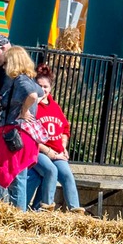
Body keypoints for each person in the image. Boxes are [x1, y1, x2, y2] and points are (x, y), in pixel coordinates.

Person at [0, 46, 45, 207]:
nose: (5, 66)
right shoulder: (29, 79)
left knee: (16, 176)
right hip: (21, 134)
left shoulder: (21, 80)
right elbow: (41, 95)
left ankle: (17, 215)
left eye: (7, 62)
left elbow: (34, 95)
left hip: (16, 134)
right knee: (18, 176)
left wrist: (24, 111)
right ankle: (17, 212)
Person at [27, 70, 81, 212]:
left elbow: (65, 129)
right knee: (51, 170)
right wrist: (49, 152)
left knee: (67, 175)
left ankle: (75, 209)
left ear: (51, 87)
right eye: (39, 86)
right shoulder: (32, 105)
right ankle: (46, 206)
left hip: (57, 152)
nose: (43, 90)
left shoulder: (55, 106)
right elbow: (29, 133)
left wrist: (63, 147)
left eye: (46, 86)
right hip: (38, 151)